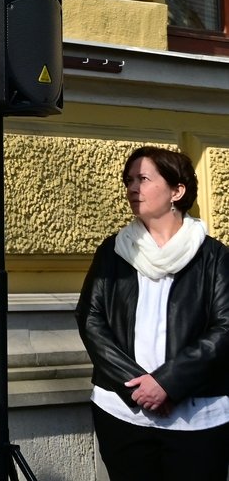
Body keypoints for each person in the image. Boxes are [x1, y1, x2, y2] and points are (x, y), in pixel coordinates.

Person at [76, 146, 229, 479]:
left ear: (177, 190)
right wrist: (139, 388)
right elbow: (90, 319)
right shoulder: (114, 251)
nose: (133, 188)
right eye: (129, 180)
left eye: (143, 179)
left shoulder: (214, 257)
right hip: (123, 413)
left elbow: (225, 329)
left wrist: (167, 383)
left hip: (197, 417)